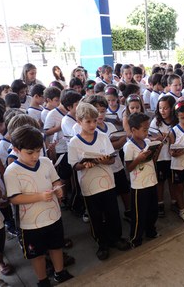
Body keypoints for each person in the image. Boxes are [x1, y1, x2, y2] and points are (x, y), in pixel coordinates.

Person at [4, 125, 73, 286]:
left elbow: (55, 179)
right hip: (30, 224)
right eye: (30, 152)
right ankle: (42, 280)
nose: (35, 156)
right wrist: (40, 196)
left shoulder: (45, 162)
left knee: (56, 247)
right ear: (16, 149)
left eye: (38, 151)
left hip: (53, 216)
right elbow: (14, 198)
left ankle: (59, 272)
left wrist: (58, 189)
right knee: (37, 255)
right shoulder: (12, 171)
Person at [68, 103, 130, 260]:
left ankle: (115, 238)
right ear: (79, 121)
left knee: (113, 213)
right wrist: (84, 164)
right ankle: (102, 243)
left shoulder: (103, 137)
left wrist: (103, 160)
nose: (92, 125)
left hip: (107, 183)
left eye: (95, 121)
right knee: (96, 216)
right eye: (88, 121)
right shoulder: (74, 142)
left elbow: (111, 159)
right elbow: (75, 165)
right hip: (89, 186)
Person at [83, 95, 131, 222]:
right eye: (96, 111)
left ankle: (128, 211)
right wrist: (111, 145)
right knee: (108, 196)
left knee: (124, 189)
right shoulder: (89, 129)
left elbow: (120, 143)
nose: (100, 114)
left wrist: (111, 144)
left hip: (116, 165)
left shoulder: (110, 126)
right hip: (102, 169)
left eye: (103, 111)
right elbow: (97, 150)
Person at [124, 112, 160, 247]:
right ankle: (135, 238)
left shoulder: (148, 142)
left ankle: (151, 231)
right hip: (139, 186)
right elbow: (128, 168)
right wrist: (138, 159)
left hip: (152, 181)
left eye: (148, 129)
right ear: (133, 130)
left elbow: (153, 161)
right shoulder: (129, 147)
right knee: (139, 214)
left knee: (153, 210)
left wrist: (156, 152)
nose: (147, 132)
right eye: (144, 130)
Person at [149, 95, 177, 217]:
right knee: (160, 182)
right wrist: (157, 138)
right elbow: (149, 136)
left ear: (172, 108)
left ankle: (174, 201)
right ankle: (160, 203)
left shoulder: (176, 121)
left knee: (172, 181)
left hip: (172, 157)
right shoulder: (156, 121)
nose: (162, 111)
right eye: (160, 108)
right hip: (160, 157)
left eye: (165, 108)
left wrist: (169, 136)